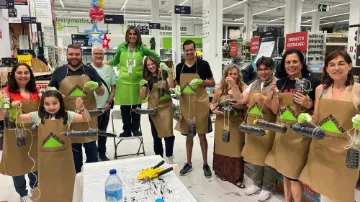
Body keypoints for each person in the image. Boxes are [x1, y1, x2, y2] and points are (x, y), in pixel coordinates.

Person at [298, 50, 359, 202]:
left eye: (341, 63)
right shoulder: (321, 89)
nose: (336, 68)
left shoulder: (358, 89)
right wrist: (306, 117)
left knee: (343, 193)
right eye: (331, 64)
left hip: (346, 152)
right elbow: (317, 118)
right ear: (326, 69)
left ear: (349, 66)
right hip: (322, 149)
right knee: (324, 191)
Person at [10, 89, 91, 202]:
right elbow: (18, 119)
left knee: (65, 180)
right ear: (42, 104)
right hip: (46, 158)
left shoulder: (68, 115)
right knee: (47, 180)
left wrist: (81, 107)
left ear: (60, 103)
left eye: (54, 103)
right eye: (47, 104)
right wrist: (15, 108)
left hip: (64, 157)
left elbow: (86, 119)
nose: (51, 107)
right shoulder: (37, 116)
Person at [265, 49, 321, 202]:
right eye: (288, 62)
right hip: (282, 135)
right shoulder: (280, 83)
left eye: (295, 61)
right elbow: (275, 110)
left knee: (294, 176)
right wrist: (274, 95)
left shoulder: (314, 83)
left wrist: (308, 104)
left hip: (300, 137)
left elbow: (319, 112)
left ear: (301, 63)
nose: (291, 65)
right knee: (285, 171)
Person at [49, 44, 105, 173]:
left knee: (92, 150)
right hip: (69, 119)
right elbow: (51, 94)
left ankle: (92, 177)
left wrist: (97, 86)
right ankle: (77, 179)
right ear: (67, 55)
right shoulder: (59, 72)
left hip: (88, 118)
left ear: (81, 55)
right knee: (74, 153)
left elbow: (101, 93)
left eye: (77, 54)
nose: (74, 57)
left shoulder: (90, 71)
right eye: (71, 54)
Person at [106, 26, 160, 137]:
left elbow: (156, 56)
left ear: (138, 36)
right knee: (124, 107)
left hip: (138, 81)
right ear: (127, 35)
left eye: (134, 34)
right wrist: (103, 64)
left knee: (137, 106)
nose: (132, 36)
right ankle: (126, 129)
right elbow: (115, 60)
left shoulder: (142, 48)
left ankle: (135, 128)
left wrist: (154, 69)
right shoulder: (121, 47)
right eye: (130, 34)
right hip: (123, 81)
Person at [173, 40, 215, 178]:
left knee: (202, 134)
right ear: (183, 51)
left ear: (195, 50)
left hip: (201, 102)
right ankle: (188, 162)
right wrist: (177, 88)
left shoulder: (203, 65)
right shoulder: (179, 67)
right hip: (186, 103)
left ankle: (205, 163)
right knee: (188, 134)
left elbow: (212, 82)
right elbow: (176, 83)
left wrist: (202, 82)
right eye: (186, 50)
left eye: (191, 50)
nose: (189, 53)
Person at [240, 57, 278, 201]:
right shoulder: (254, 84)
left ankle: (267, 187)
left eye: (266, 69)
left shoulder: (276, 84)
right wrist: (233, 86)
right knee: (256, 154)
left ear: (272, 69)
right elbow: (242, 100)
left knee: (268, 158)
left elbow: (275, 110)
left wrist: (264, 99)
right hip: (254, 126)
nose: (263, 72)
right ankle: (257, 183)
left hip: (269, 126)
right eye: (260, 69)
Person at [0, 63, 40, 202]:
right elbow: (0, 116)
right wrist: (7, 105)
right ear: (13, 75)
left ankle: (35, 188)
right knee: (17, 164)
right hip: (14, 133)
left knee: (34, 161)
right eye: (19, 73)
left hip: (34, 132)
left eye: (26, 73)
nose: (23, 76)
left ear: (30, 75)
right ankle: (23, 194)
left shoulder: (35, 90)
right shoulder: (5, 92)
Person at [210, 65, 247, 188]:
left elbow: (245, 104)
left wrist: (239, 106)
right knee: (222, 147)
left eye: (235, 74)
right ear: (226, 75)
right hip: (221, 122)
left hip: (236, 123)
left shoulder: (243, 87)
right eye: (230, 74)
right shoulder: (220, 88)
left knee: (236, 149)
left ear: (238, 75)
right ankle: (222, 172)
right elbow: (213, 103)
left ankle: (237, 177)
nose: (232, 76)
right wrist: (213, 110)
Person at [139, 57, 175, 163]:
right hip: (153, 108)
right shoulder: (146, 77)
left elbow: (172, 86)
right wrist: (142, 85)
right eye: (148, 65)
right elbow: (143, 97)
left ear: (156, 63)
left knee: (168, 134)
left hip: (166, 107)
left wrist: (169, 73)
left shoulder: (163, 73)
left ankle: (169, 158)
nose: (151, 66)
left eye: (152, 64)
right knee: (156, 135)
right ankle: (158, 159)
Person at [90, 46, 116, 161]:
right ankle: (92, 154)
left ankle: (102, 153)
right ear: (92, 55)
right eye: (96, 53)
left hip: (105, 107)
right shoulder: (87, 69)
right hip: (90, 108)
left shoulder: (109, 69)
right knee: (91, 132)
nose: (99, 56)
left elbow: (113, 88)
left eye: (101, 53)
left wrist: (109, 102)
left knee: (102, 131)